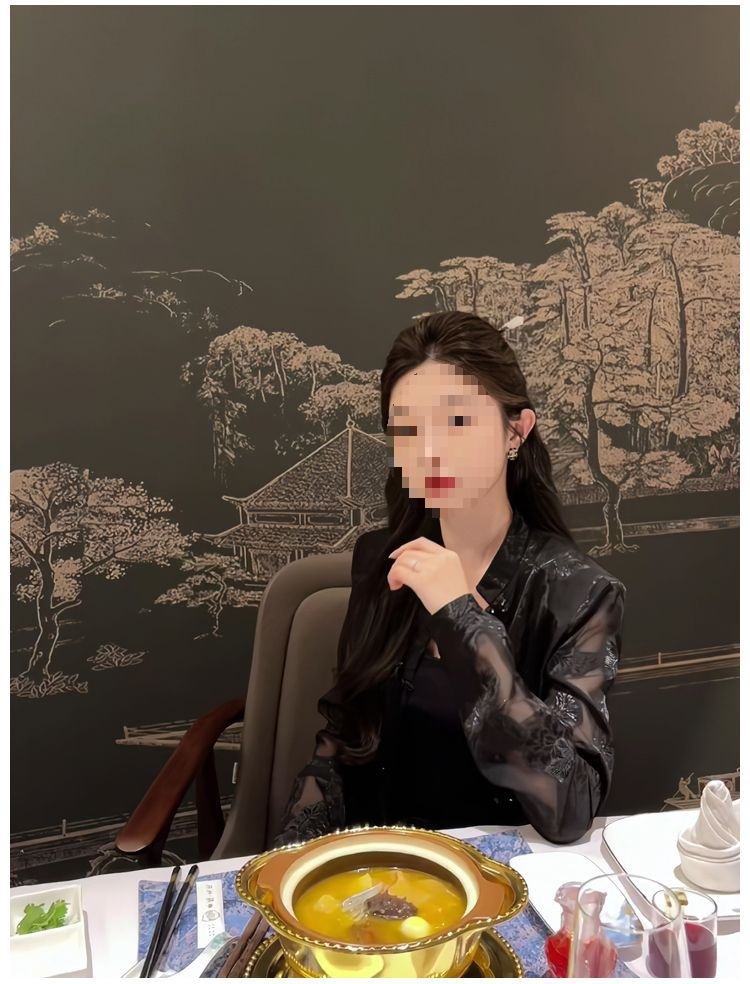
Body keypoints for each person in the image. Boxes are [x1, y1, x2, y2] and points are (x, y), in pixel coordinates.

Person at [274, 311, 626, 847]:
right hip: (383, 867)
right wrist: (292, 858)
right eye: (407, 429)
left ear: (516, 430)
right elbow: (342, 746)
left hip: (501, 874)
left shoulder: (579, 593)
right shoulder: (383, 559)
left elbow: (570, 804)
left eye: (456, 421)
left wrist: (460, 615)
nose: (429, 451)